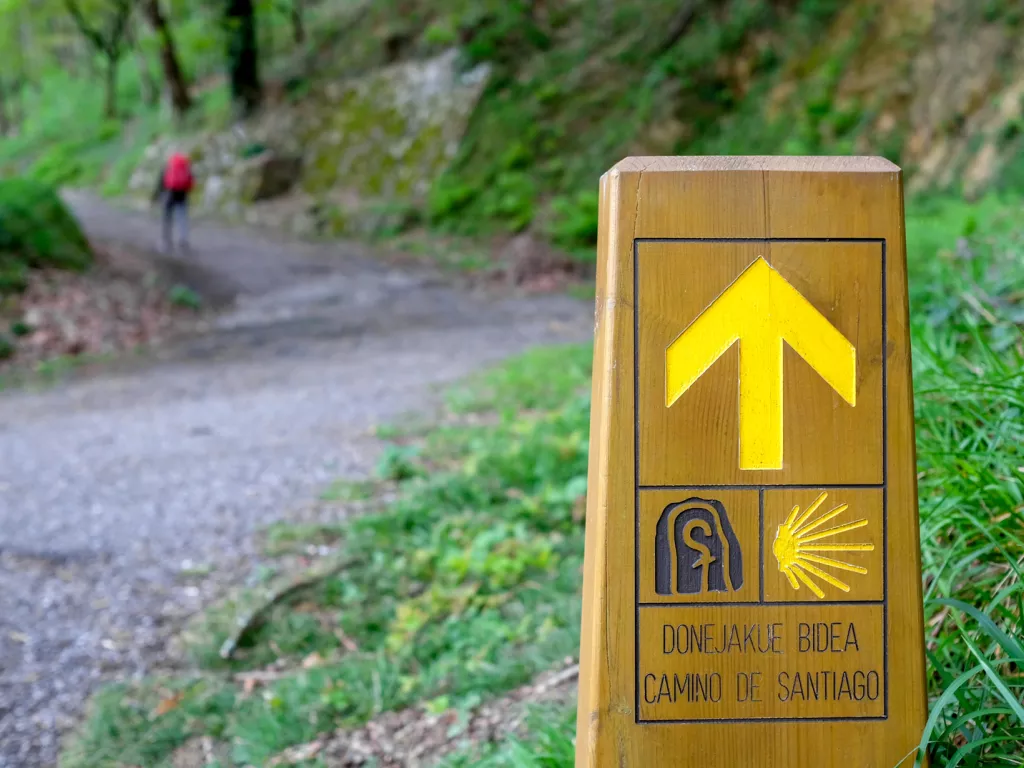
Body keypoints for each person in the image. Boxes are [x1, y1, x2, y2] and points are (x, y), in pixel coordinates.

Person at [152, 151, 194, 253]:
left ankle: (166, 242)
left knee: (167, 219)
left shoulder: (167, 167)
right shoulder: (185, 166)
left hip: (169, 196)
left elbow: (160, 183)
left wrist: (155, 197)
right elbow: (191, 180)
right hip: (182, 195)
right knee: (182, 218)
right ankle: (183, 240)